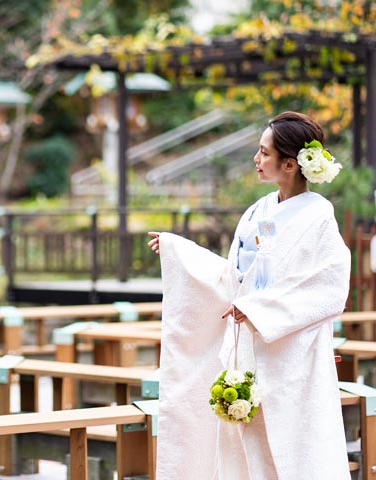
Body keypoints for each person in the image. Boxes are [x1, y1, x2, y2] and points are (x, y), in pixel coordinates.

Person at [147, 111, 351, 479]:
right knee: (243, 447)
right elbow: (233, 278)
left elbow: (329, 285)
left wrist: (260, 311)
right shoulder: (257, 211)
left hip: (291, 352)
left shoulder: (319, 216)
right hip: (248, 348)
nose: (256, 159)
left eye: (264, 152)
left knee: (292, 446)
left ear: (290, 164)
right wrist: (180, 252)